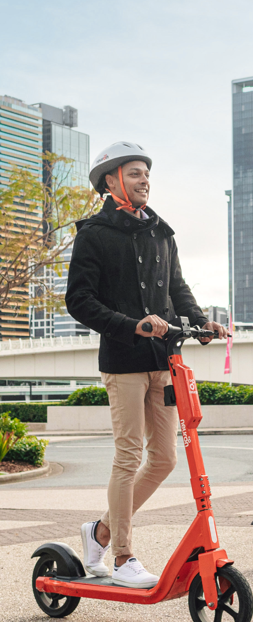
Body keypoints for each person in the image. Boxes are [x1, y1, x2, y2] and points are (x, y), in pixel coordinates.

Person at [66, 141, 226, 587]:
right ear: (111, 180)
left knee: (165, 459)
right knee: (128, 455)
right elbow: (78, 300)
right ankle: (122, 557)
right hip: (124, 361)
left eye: (147, 174)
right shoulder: (94, 233)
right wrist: (133, 325)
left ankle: (98, 531)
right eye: (135, 174)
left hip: (164, 359)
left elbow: (177, 288)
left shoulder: (161, 232)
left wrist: (200, 322)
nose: (144, 181)